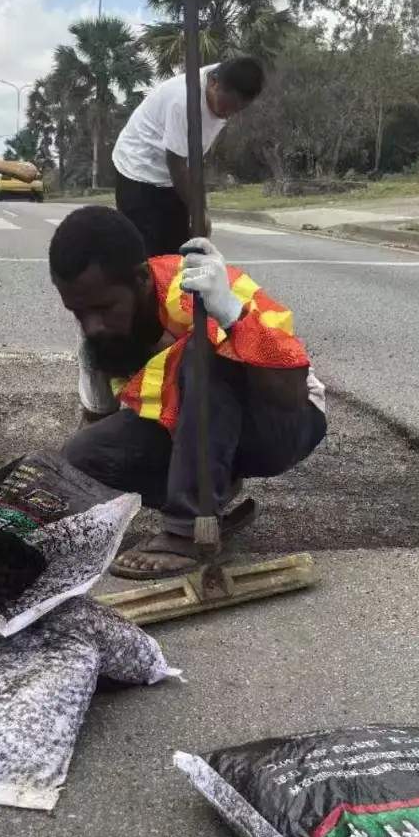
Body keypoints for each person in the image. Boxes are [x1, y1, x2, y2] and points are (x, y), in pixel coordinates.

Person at [52, 207, 326, 580]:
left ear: (142, 278)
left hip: (279, 426)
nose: (92, 326)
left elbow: (290, 393)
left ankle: (186, 529)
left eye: (103, 308)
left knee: (203, 352)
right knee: (81, 455)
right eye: (77, 312)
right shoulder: (97, 337)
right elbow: (101, 426)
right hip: (191, 435)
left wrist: (230, 314)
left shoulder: (201, 288)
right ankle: (210, 492)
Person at [112, 57, 264, 258]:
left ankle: (173, 287)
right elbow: (176, 163)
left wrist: (200, 212)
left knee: (182, 250)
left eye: (236, 110)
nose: (227, 115)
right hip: (137, 168)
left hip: (171, 172)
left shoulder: (225, 80)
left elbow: (192, 161)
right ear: (213, 83)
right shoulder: (184, 101)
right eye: (225, 108)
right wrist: (199, 212)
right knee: (146, 254)